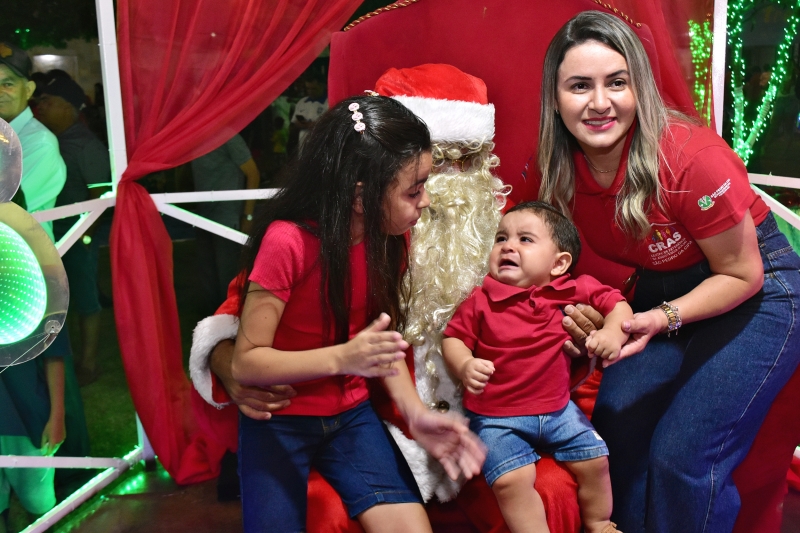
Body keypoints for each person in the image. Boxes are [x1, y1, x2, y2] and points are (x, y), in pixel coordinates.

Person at [535, 11, 800, 532]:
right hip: (660, 289)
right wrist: (580, 315)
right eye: (579, 86)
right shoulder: (555, 167)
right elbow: (557, 269)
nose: (599, 102)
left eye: (617, 82)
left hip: (756, 290)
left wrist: (658, 318)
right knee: (616, 432)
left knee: (682, 456)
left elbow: (741, 274)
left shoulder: (691, 158)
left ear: (640, 86)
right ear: (555, 97)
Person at [229, 94, 485, 533]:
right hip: (278, 420)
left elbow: (380, 345)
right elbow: (246, 363)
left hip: (352, 417)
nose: (425, 201)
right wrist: (343, 358)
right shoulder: (287, 242)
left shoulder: (388, 238)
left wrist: (416, 415)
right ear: (361, 196)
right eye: (414, 190)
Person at [443, 201, 631, 533]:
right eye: (501, 238)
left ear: (559, 264)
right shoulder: (481, 298)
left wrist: (613, 333)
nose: (508, 246)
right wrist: (465, 364)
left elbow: (617, 304)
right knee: (511, 480)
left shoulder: (572, 288)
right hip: (497, 418)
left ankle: (600, 523)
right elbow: (454, 338)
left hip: (559, 412)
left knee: (595, 460)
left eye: (525, 239)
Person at [0, 40, 68, 532]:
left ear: (29, 89)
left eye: (8, 83)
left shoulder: (38, 144)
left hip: (23, 288)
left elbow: (15, 212)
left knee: (30, 411)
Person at [37, 75, 111, 384]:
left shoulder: (86, 145)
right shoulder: (46, 140)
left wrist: (85, 236)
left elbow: (101, 196)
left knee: (84, 297)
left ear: (68, 107)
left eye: (48, 101)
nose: (40, 107)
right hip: (49, 234)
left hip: (76, 236)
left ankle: (88, 363)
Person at [190, 134, 260, 316]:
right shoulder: (193, 135)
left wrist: (248, 215)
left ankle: (230, 322)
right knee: (208, 278)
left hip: (227, 218)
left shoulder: (228, 136)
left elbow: (253, 173)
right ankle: (211, 324)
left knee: (227, 278)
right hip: (203, 215)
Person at [289, 74, 328, 152]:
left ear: (323, 86)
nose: (310, 91)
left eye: (314, 89)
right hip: (303, 144)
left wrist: (314, 125)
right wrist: (299, 124)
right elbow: (293, 123)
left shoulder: (329, 102)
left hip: (321, 144)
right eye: (308, 88)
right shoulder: (302, 102)